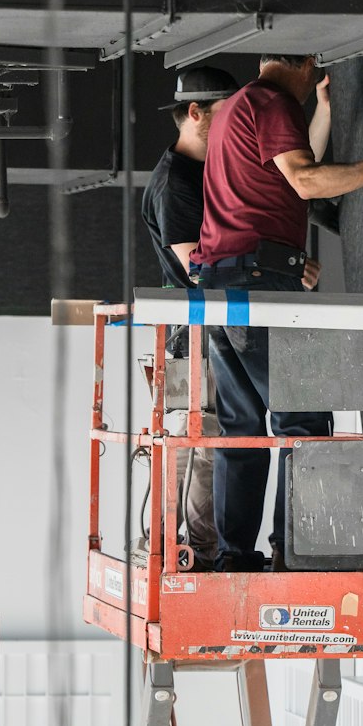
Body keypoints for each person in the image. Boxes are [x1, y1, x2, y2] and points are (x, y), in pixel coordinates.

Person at [193, 53, 363, 571]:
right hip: (257, 282)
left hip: (225, 281)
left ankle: (235, 557)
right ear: (305, 63)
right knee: (302, 419)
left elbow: (296, 167)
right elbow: (305, 181)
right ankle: (295, 555)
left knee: (244, 425)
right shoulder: (273, 102)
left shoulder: (235, 106)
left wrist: (321, 110)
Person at [141, 65, 238, 566]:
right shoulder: (176, 182)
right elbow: (196, 268)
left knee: (194, 438)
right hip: (193, 334)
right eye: (226, 114)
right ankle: (192, 554)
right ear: (196, 113)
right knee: (201, 439)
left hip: (189, 334)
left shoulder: (196, 171)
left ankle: (171, 548)